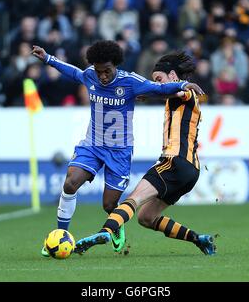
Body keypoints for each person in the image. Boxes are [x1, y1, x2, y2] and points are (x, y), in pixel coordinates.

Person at [31, 40, 204, 256]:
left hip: (120, 151)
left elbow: (158, 89)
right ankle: (59, 236)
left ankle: (117, 226)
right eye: (99, 71)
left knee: (109, 204)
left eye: (107, 71)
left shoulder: (130, 81)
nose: (102, 76)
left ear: (116, 65)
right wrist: (49, 58)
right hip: (92, 144)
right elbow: (73, 72)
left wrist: (181, 85)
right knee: (70, 183)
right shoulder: (90, 75)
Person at [73, 51, 216, 256]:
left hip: (174, 162)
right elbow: (165, 93)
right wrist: (147, 93)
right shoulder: (177, 100)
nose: (156, 83)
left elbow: (177, 92)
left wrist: (161, 90)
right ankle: (199, 240)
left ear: (174, 76)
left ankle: (106, 232)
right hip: (191, 171)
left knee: (133, 199)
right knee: (146, 217)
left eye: (159, 79)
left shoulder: (186, 93)